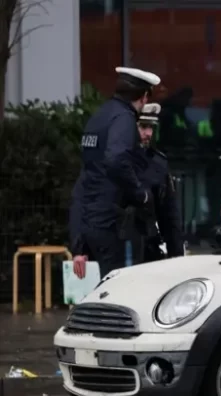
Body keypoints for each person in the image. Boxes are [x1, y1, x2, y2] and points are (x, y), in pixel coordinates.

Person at [69, 66, 161, 278]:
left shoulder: (99, 117)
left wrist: (79, 244)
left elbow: (84, 184)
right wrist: (140, 194)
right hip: (112, 223)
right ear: (144, 96)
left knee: (106, 286)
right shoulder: (124, 119)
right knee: (117, 289)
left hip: (91, 223)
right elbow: (116, 159)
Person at [136, 103, 185, 263]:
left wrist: (176, 257)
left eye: (151, 127)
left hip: (149, 248)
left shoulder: (158, 163)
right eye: (143, 127)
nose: (148, 133)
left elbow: (170, 216)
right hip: (118, 247)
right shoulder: (113, 159)